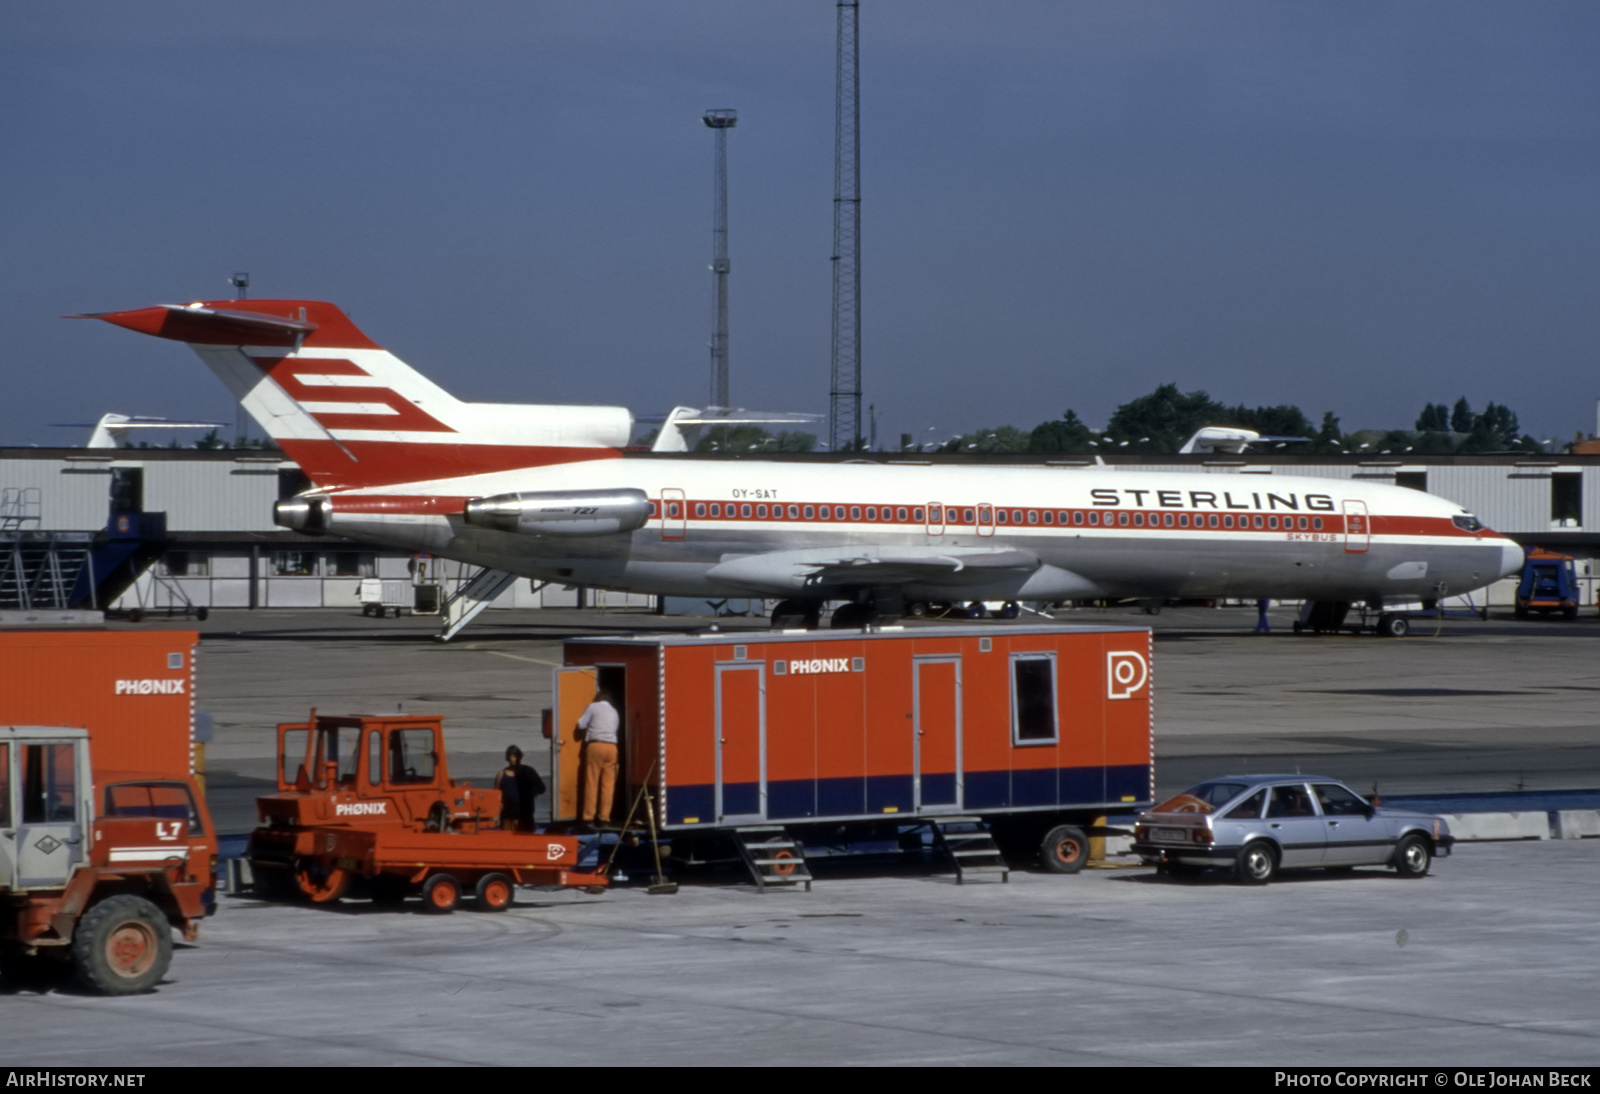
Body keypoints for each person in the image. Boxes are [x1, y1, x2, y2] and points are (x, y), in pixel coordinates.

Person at [577, 689, 621, 828]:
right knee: (608, 785)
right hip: (612, 748)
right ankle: (604, 818)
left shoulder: (593, 707)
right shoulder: (614, 711)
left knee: (592, 782)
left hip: (596, 745)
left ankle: (588, 817)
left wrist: (585, 710)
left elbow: (581, 724)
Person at [495, 745, 545, 832]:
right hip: (508, 818)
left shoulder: (528, 771)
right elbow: (496, 796)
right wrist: (495, 815)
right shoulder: (501, 774)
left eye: (516, 756)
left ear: (520, 756)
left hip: (525, 817)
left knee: (527, 842)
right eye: (512, 756)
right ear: (507, 758)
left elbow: (541, 788)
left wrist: (531, 793)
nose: (514, 758)